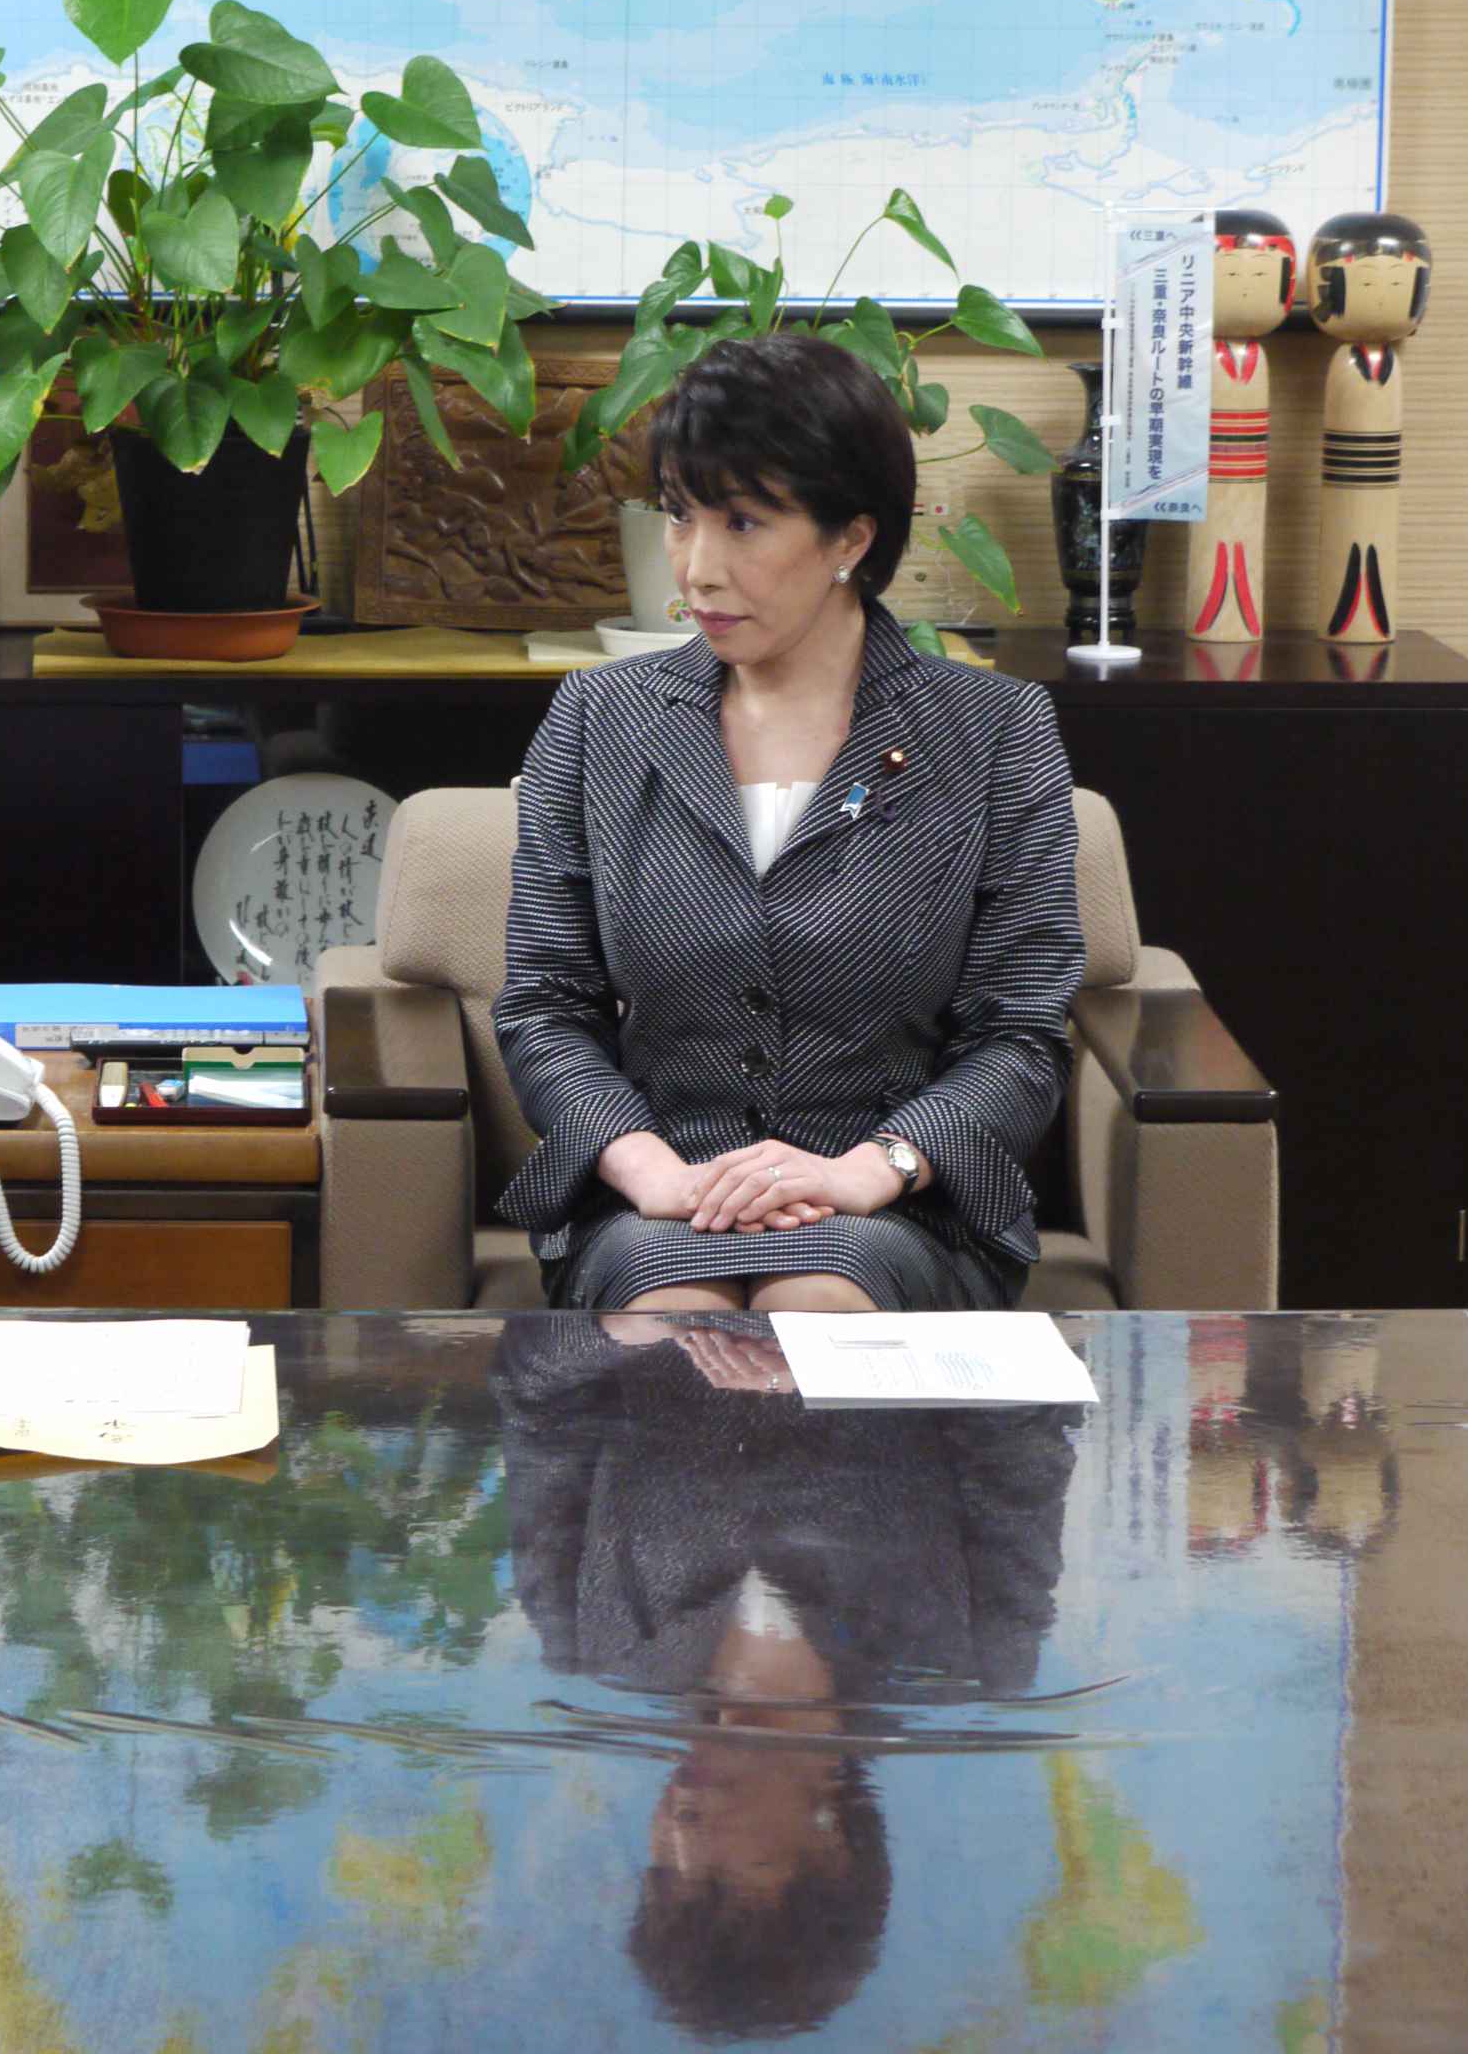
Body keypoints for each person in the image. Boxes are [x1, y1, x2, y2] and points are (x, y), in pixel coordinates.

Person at [495, 332, 1084, 1316]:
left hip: (894, 1205)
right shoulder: (598, 720)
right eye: (680, 517)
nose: (696, 570)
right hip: (661, 1200)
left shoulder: (990, 733)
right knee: (672, 1319)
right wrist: (650, 1175)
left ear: (849, 539)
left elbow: (1018, 1034)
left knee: (815, 1302)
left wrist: (868, 1169)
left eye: (741, 523)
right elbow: (543, 1005)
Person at [494, 1312, 1074, 2037]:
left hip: (654, 1247)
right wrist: (847, 1361)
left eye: (665, 1876)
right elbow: (1026, 1392)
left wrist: (627, 1324)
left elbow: (531, 1391)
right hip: (876, 1244)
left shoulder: (590, 1645)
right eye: (721, 1878)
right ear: (830, 1852)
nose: (679, 1834)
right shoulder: (975, 1658)